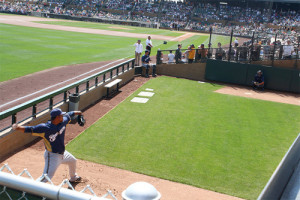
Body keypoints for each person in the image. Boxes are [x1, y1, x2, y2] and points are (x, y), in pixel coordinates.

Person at [12, 108, 83, 183]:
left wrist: (78, 112)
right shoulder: (45, 128)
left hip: (63, 153)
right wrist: (18, 127)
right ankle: (32, 189)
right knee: (46, 177)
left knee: (73, 161)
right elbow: (30, 129)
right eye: (61, 115)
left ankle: (73, 177)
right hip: (52, 156)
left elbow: (69, 114)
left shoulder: (63, 121)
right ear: (57, 117)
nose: (63, 116)